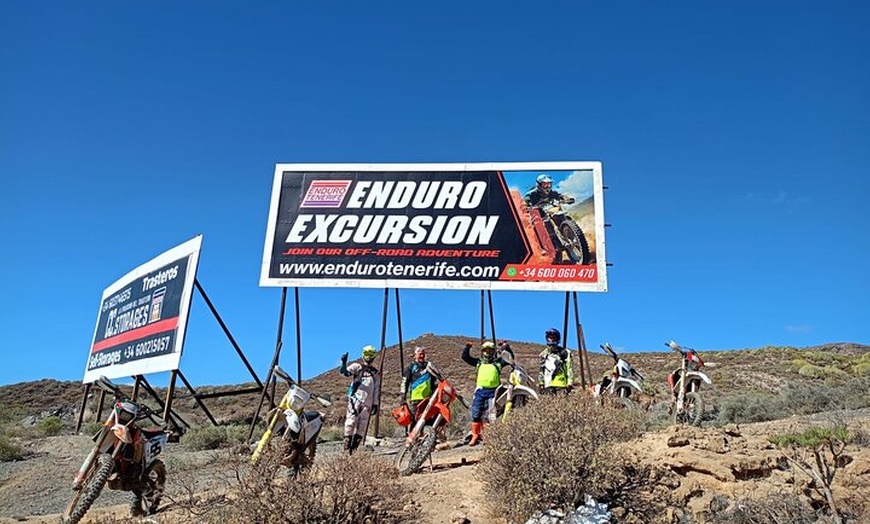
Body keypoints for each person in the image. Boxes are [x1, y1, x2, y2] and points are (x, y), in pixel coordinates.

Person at [461, 340, 509, 446]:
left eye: (490, 350)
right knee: (476, 413)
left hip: (493, 392)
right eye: (485, 350)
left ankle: (487, 437)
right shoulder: (479, 362)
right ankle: (475, 435)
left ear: (493, 352)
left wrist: (505, 347)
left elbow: (509, 358)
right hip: (480, 391)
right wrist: (467, 348)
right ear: (483, 351)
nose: (487, 353)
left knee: (490, 415)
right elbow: (465, 358)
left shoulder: (498, 363)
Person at [339, 345, 381, 454]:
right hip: (355, 399)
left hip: (368, 402)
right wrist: (343, 363)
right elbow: (345, 373)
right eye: (367, 354)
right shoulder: (357, 367)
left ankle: (353, 450)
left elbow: (376, 389)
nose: (369, 357)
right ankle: (346, 449)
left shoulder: (376, 373)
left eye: (371, 355)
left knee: (362, 426)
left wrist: (375, 403)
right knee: (350, 422)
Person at [400, 346, 441, 422]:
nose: (421, 356)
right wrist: (403, 397)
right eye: (419, 354)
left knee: (428, 420)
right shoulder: (411, 367)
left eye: (423, 354)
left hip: (428, 399)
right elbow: (404, 382)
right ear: (415, 355)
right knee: (415, 421)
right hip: (416, 399)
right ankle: (411, 433)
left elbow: (434, 381)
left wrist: (435, 391)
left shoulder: (428, 366)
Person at [538, 328, 573, 394]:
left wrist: (569, 383)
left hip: (561, 386)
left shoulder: (565, 352)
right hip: (547, 386)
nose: (551, 340)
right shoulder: (544, 354)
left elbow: (569, 368)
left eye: (553, 338)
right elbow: (541, 370)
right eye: (549, 338)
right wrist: (541, 383)